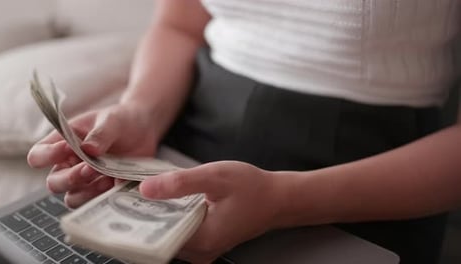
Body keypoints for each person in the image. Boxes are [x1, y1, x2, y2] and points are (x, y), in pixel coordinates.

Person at [27, 1, 461, 264]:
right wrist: (142, 111)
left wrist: (282, 203)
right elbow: (179, 25)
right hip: (190, 131)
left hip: (363, 179)